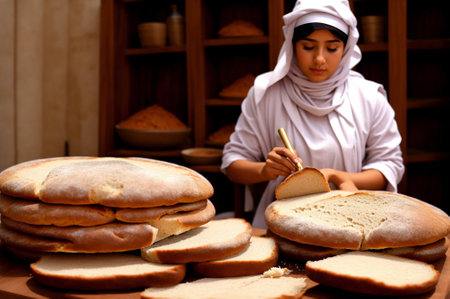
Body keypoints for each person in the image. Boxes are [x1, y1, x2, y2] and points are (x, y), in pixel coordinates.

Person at [220, 0, 405, 228]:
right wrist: (265, 170)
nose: (319, 59)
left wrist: (340, 177)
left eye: (332, 47)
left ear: (346, 48)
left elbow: (389, 165)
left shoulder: (369, 96)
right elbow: (232, 164)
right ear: (292, 45)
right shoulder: (266, 94)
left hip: (352, 221)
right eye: (308, 47)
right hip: (284, 223)